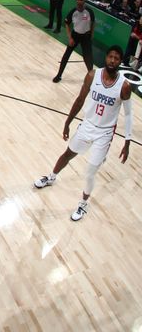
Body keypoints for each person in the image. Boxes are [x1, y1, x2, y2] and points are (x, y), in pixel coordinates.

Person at [34, 46, 133, 222]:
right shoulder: (92, 75)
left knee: (89, 172)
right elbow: (80, 100)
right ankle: (51, 177)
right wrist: (67, 122)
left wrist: (127, 141)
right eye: (110, 56)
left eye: (116, 58)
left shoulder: (124, 86)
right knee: (67, 154)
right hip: (87, 125)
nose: (112, 60)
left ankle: (83, 203)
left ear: (120, 62)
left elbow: (128, 114)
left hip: (104, 133)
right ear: (106, 57)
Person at [52, 0, 94, 83]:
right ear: (76, 1)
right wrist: (70, 37)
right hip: (75, 35)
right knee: (66, 56)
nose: (79, 2)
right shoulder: (73, 12)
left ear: (84, 1)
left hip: (86, 36)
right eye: (78, 0)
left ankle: (92, 79)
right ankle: (59, 75)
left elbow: (93, 22)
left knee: (88, 58)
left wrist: (91, 34)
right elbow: (67, 23)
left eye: (81, 0)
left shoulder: (90, 12)